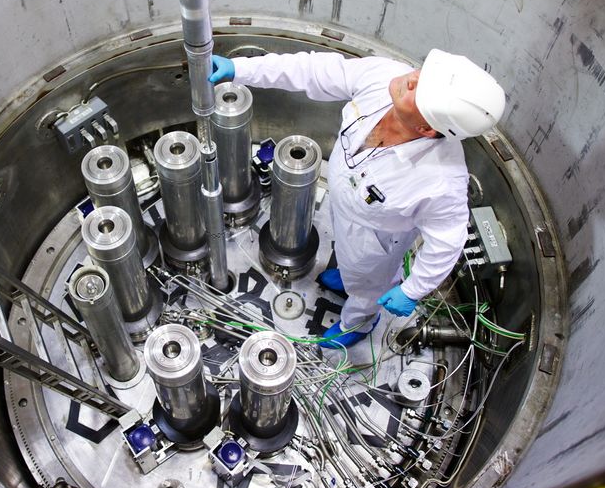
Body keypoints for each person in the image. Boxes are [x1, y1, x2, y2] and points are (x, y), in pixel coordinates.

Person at [208, 49, 506, 348]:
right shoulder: (385, 78)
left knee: (366, 288)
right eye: (424, 72)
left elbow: (447, 242)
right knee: (349, 262)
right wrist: (241, 69)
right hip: (343, 209)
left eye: (421, 88)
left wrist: (413, 290)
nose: (412, 77)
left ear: (427, 128)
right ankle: (349, 277)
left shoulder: (441, 183)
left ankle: (359, 322)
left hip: (373, 242)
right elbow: (313, 70)